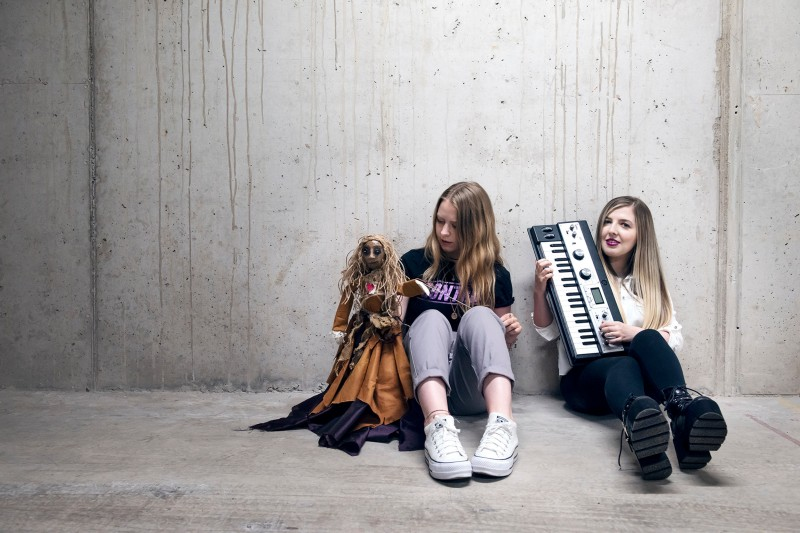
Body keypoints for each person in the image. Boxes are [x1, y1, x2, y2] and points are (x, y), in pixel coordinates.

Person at [532, 196, 727, 480]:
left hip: (640, 390)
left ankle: (678, 414)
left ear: (640, 236)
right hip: (585, 382)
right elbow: (547, 331)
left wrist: (632, 334)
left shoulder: (649, 283)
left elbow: (673, 337)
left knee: (647, 338)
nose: (612, 230)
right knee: (624, 364)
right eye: (608, 222)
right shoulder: (573, 272)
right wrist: (540, 290)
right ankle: (649, 422)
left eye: (624, 225)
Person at [400, 181, 523, 481]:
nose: (443, 232)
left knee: (481, 316)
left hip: (470, 390)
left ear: (476, 228)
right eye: (440, 221)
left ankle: (502, 424)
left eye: (455, 226)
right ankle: (437, 426)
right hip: (422, 385)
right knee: (429, 318)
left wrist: (506, 335)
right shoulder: (414, 263)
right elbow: (393, 327)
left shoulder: (496, 276)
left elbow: (495, 350)